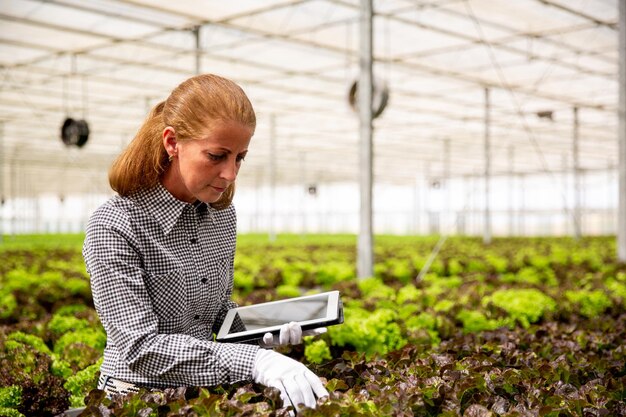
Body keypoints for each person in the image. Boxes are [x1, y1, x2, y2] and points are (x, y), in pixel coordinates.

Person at [83, 73, 329, 411]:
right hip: (134, 399)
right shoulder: (116, 224)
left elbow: (216, 315)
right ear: (172, 143)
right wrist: (255, 362)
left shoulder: (221, 217)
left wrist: (264, 329)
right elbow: (140, 350)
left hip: (202, 395)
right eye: (217, 155)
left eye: (240, 157)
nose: (231, 174)